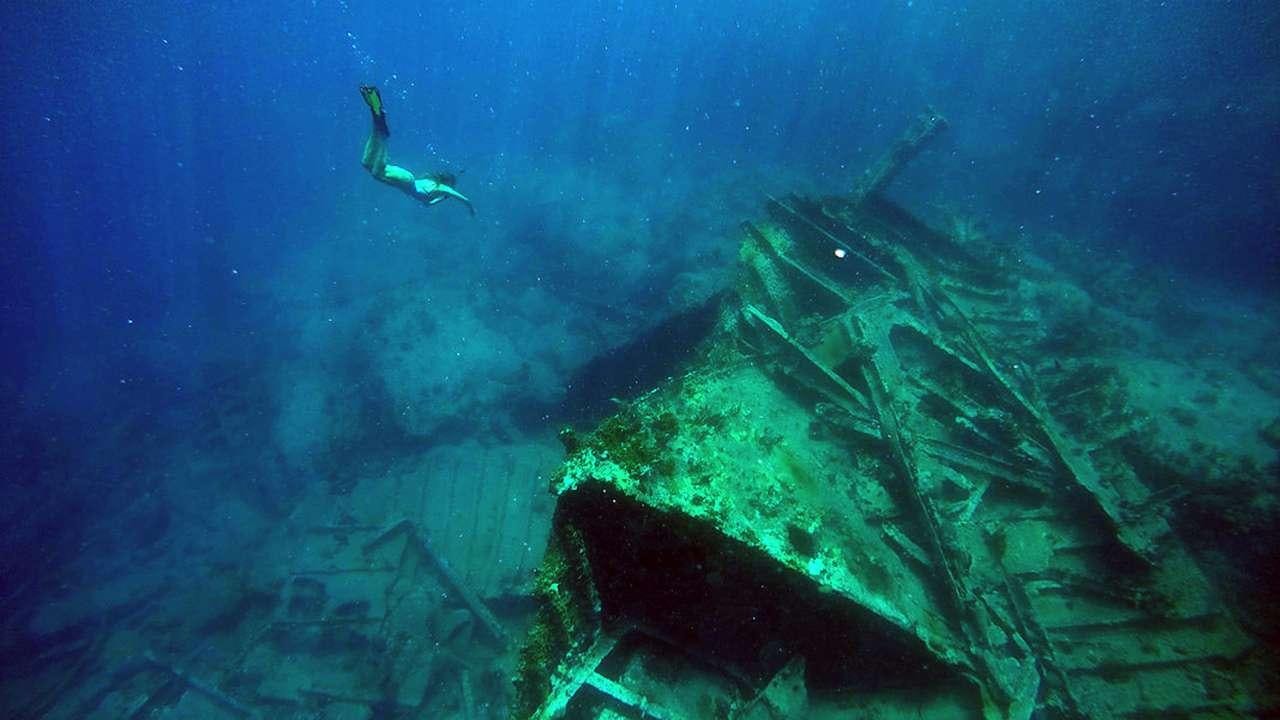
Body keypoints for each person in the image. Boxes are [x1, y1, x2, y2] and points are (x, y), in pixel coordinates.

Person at [359, 85, 475, 216]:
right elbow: (463, 199)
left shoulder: (433, 186)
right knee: (377, 172)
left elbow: (428, 204)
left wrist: (443, 198)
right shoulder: (441, 188)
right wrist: (470, 207)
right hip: (407, 181)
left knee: (367, 163)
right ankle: (383, 134)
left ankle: (377, 120)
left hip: (407, 179)